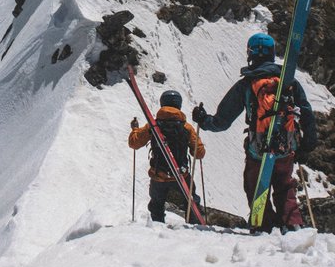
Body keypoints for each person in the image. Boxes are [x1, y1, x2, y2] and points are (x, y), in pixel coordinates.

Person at [192, 32, 317, 233]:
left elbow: (222, 121)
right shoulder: (289, 82)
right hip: (286, 146)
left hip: (258, 148)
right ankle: (292, 223)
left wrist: (203, 120)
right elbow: (307, 112)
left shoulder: (247, 84)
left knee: (255, 185)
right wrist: (308, 143)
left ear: (250, 53)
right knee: (285, 186)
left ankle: (263, 224)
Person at [128, 88, 206, 224]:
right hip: (181, 175)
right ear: (179, 105)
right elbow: (199, 153)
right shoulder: (186, 128)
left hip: (158, 175)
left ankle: (158, 229)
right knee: (191, 203)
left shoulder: (153, 126)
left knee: (156, 205)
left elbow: (134, 143)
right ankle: (196, 227)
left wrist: (135, 129)